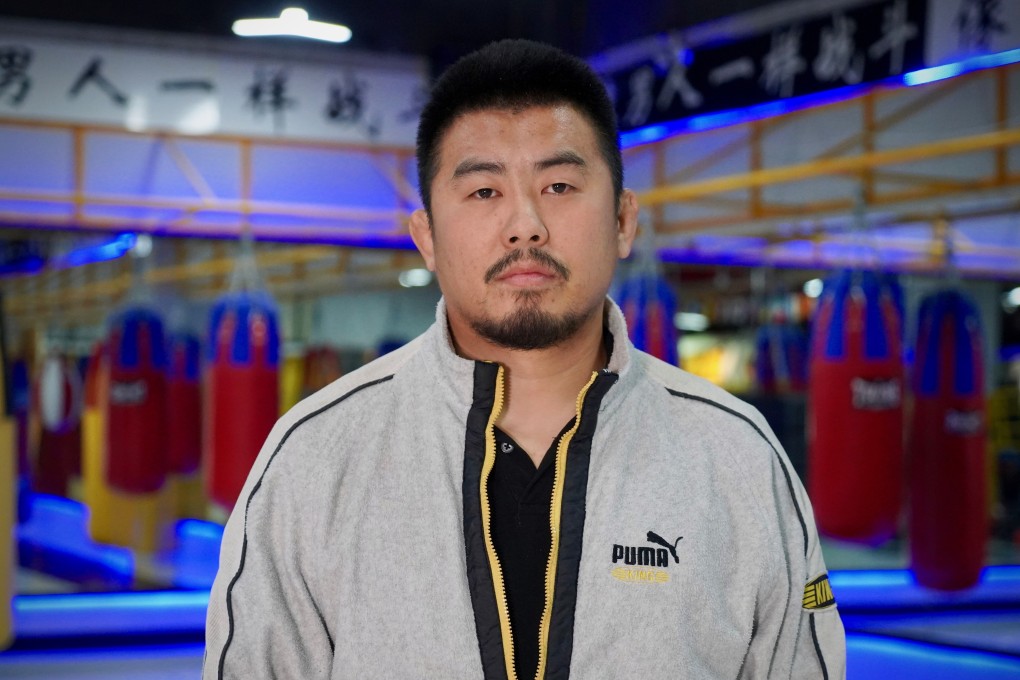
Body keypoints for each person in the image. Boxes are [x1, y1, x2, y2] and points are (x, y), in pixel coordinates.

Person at [204, 39, 846, 679]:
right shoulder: (317, 456)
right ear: (426, 237)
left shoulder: (735, 456)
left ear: (624, 222)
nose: (526, 225)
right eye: (484, 191)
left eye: (560, 184)